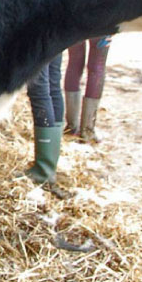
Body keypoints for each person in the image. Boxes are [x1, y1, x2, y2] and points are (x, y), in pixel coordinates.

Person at [22, 53, 64, 186]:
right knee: (53, 84)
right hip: (58, 34)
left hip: (42, 35)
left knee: (39, 90)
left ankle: (44, 170)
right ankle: (49, 164)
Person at [64, 36, 112, 143]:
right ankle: (87, 131)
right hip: (101, 22)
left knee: (74, 62)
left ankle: (71, 127)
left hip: (74, 21)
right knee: (97, 66)